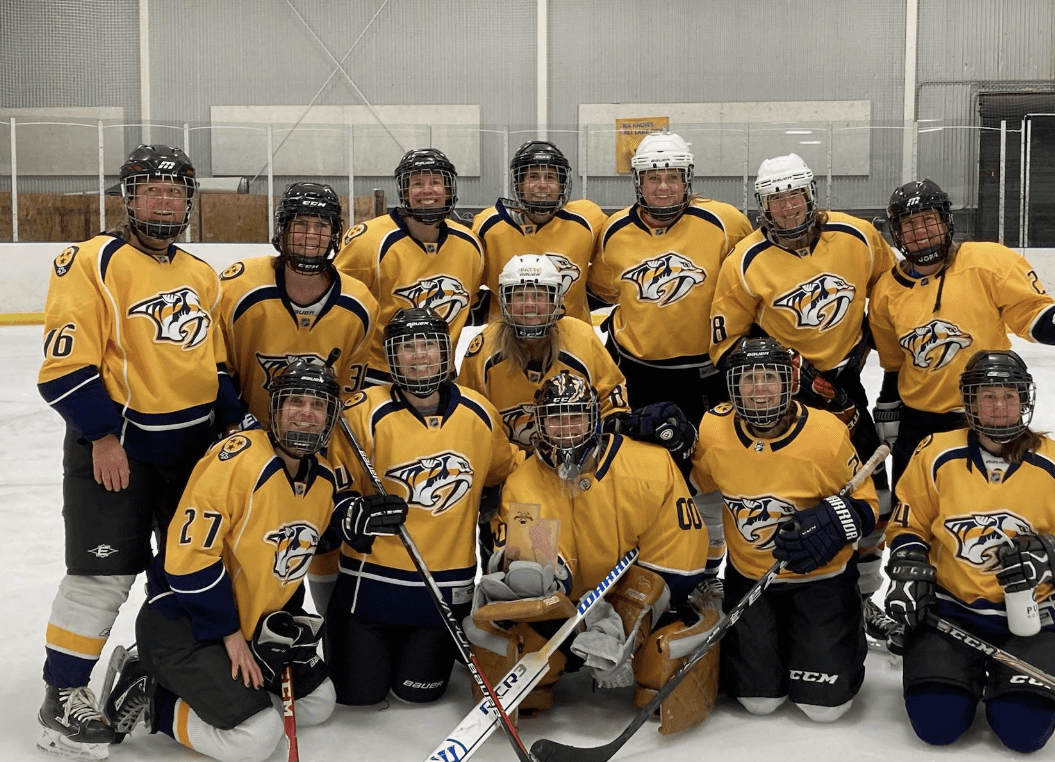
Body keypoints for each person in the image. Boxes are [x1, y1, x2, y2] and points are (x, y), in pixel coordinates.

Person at [34, 144, 244, 762]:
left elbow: (216, 366)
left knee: (185, 567)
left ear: (188, 202)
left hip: (190, 451)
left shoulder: (201, 274)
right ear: (127, 198)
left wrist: (235, 430)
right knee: (102, 574)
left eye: (173, 191)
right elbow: (63, 363)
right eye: (149, 189)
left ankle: (154, 669)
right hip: (118, 449)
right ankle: (62, 694)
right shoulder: (92, 261)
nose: (162, 200)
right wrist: (100, 434)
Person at [107, 360, 345, 762]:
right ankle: (153, 696)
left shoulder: (322, 478)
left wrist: (284, 621)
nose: (306, 412)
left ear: (330, 415)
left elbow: (285, 561)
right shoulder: (237, 459)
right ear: (276, 409)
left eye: (317, 404)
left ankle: (224, 692)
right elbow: (188, 561)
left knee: (318, 704)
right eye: (295, 402)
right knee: (256, 738)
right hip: (184, 627)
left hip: (249, 628)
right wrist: (230, 635)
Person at [709, 153, 897, 631]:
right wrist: (782, 365)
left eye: (794, 196)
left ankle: (863, 595)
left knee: (872, 493)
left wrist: (875, 343)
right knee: (783, 488)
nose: (788, 208)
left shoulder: (857, 236)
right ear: (762, 207)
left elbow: (892, 292)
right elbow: (724, 341)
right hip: (782, 392)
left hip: (845, 382)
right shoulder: (745, 260)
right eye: (776, 200)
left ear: (812, 195)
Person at [468, 372, 715, 732]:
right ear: (539, 423)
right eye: (555, 417)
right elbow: (543, 568)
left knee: (659, 663)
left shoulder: (650, 465)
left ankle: (642, 653)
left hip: (636, 594)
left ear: (595, 418)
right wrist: (575, 616)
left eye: (576, 416)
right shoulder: (524, 482)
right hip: (572, 606)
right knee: (527, 660)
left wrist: (628, 624)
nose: (566, 429)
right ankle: (554, 669)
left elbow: (677, 561)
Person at [882, 350, 1055, 753]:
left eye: (1009, 396)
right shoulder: (934, 451)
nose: (999, 406)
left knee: (1025, 732)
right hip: (950, 611)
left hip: (1033, 615)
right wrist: (909, 567)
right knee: (937, 725)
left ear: (1024, 400)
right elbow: (908, 524)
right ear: (969, 402)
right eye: (987, 396)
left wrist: (1051, 556)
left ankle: (1005, 679)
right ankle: (961, 674)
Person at [324, 308, 518, 707]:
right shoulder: (361, 412)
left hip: (444, 592)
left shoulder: (479, 412)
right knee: (359, 695)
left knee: (418, 696)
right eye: (407, 347)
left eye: (428, 344)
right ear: (391, 357)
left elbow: (510, 471)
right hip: (369, 589)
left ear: (445, 353)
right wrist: (352, 514)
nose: (419, 356)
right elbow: (329, 488)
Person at [868, 178, 1055, 490]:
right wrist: (888, 411)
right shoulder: (886, 291)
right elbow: (894, 364)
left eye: (929, 220)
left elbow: (1034, 315)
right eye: (910, 224)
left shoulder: (989, 262)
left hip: (988, 417)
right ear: (897, 234)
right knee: (912, 519)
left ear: (946, 221)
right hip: (920, 423)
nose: (921, 231)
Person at [690, 338, 878, 722]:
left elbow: (868, 506)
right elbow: (691, 487)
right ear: (732, 386)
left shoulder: (825, 433)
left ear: (789, 382)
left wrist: (832, 522)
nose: (759, 389)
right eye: (748, 379)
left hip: (822, 579)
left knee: (824, 708)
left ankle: (839, 625)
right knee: (758, 701)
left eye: (769, 378)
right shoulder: (713, 428)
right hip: (751, 578)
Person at [216, 181, 378, 614]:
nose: (310, 236)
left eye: (320, 227)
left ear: (335, 235)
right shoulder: (238, 286)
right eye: (300, 225)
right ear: (282, 230)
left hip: (316, 447)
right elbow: (212, 368)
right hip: (245, 444)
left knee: (319, 538)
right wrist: (232, 425)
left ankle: (329, 632)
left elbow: (350, 394)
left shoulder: (359, 303)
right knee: (247, 540)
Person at [588, 131, 750, 426]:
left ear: (686, 179)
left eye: (672, 178)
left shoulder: (727, 222)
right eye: (653, 178)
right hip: (635, 371)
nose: (663, 187)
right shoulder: (614, 230)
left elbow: (750, 287)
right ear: (639, 182)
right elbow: (604, 291)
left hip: (707, 373)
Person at [334, 148, 484, 386]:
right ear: (404, 190)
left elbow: (469, 303)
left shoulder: (470, 244)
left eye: (436, 182)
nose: (427, 190)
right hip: (379, 380)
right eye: (417, 183)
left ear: (448, 190)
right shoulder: (369, 241)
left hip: (442, 381)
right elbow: (338, 312)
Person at [458, 254, 630, 448]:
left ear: (554, 300)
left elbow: (611, 401)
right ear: (505, 301)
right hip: (509, 465)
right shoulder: (483, 350)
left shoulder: (582, 338)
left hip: (577, 457)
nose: (529, 304)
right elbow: (469, 417)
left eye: (539, 295)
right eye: (520, 295)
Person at [472, 140, 606, 324]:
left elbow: (609, 274)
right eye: (533, 177)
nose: (542, 185)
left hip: (571, 341)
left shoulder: (588, 220)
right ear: (518, 185)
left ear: (562, 185)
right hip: (508, 341)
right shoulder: (488, 227)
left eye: (550, 177)